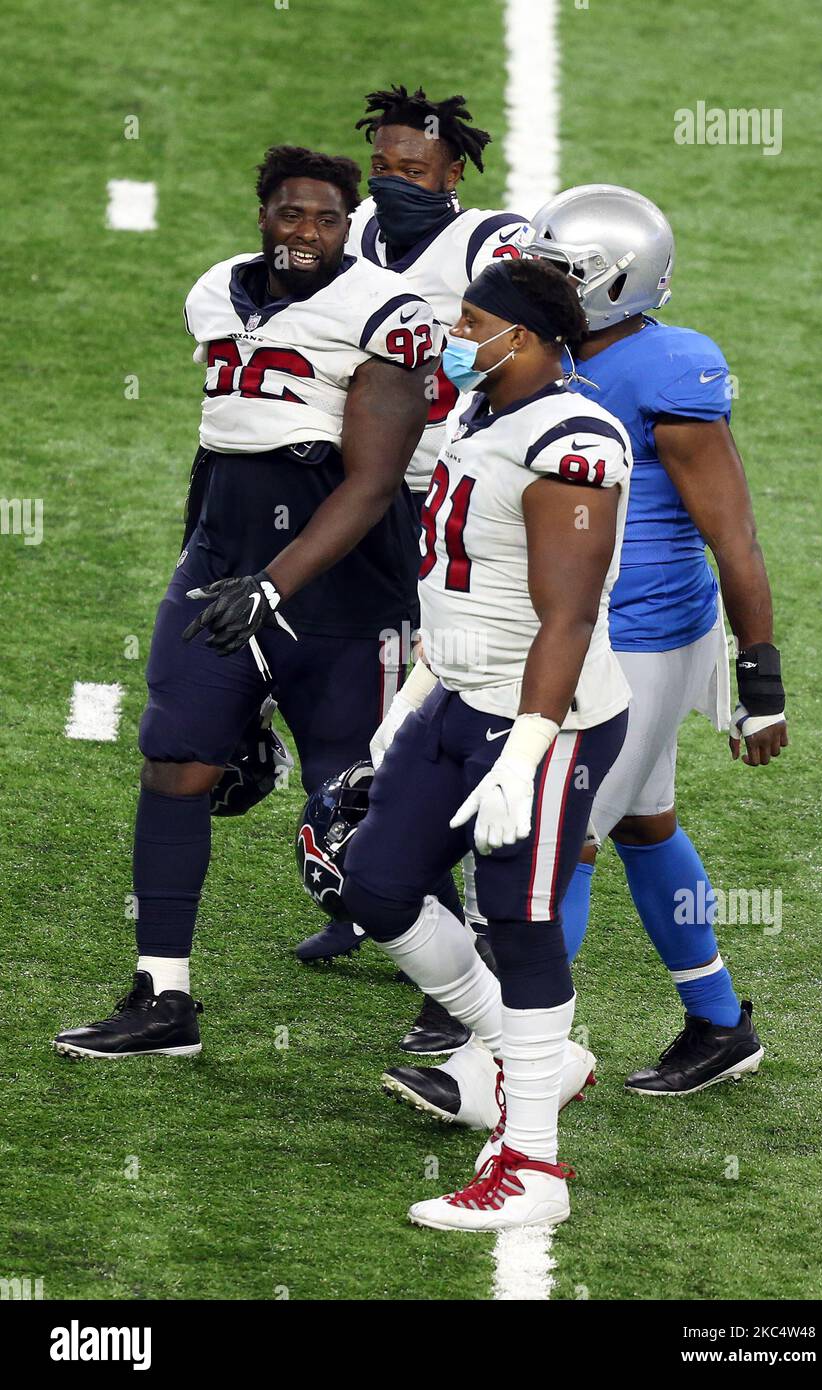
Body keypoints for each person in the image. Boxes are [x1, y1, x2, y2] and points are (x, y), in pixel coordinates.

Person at [391, 185, 786, 1119]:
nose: (539, 282)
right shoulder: (524, 358)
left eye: (563, 273)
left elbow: (733, 534)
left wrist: (758, 673)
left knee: (554, 846)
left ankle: (509, 1068)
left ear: (620, 282)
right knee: (645, 823)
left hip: (634, 635)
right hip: (560, 628)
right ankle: (721, 1022)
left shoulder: (669, 368)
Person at [52, 145, 441, 1059]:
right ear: (261, 212)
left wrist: (276, 584)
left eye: (326, 219)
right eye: (290, 214)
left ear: (349, 227)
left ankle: (448, 993)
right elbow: (217, 442)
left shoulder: (386, 312)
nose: (306, 232)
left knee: (360, 801)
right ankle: (163, 996)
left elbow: (375, 481)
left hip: (339, 580)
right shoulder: (216, 290)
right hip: (223, 560)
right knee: (176, 758)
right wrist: (208, 556)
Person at [339, 257, 632, 1231]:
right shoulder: (481, 415)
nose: (453, 336)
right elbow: (463, 596)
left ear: (528, 337)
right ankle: (531, 1057)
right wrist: (402, 715)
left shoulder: (575, 439)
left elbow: (566, 616)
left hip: (547, 715)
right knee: (374, 879)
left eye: (469, 320)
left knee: (519, 915)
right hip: (461, 695)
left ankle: (530, 1169)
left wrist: (523, 753)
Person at [295, 84, 533, 993]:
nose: (395, 183)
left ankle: (457, 918)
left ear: (454, 170)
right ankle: (379, 894)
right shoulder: (347, 232)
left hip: (454, 494)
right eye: (384, 167)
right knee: (363, 687)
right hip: (362, 489)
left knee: (446, 694)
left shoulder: (489, 243)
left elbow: (528, 346)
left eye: (415, 169)